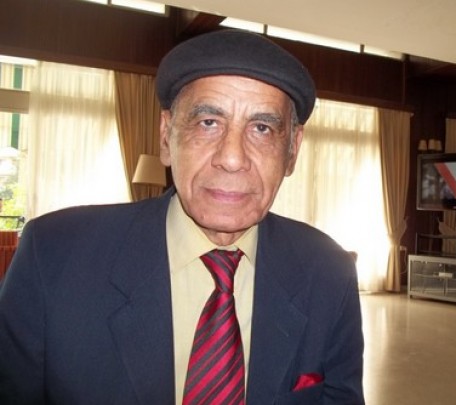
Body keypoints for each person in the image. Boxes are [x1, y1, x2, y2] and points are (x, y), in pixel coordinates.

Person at [0, 30, 364, 404]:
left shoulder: (328, 272)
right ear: (166, 137)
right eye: (208, 122)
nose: (232, 158)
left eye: (262, 128)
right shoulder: (53, 256)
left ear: (292, 151)